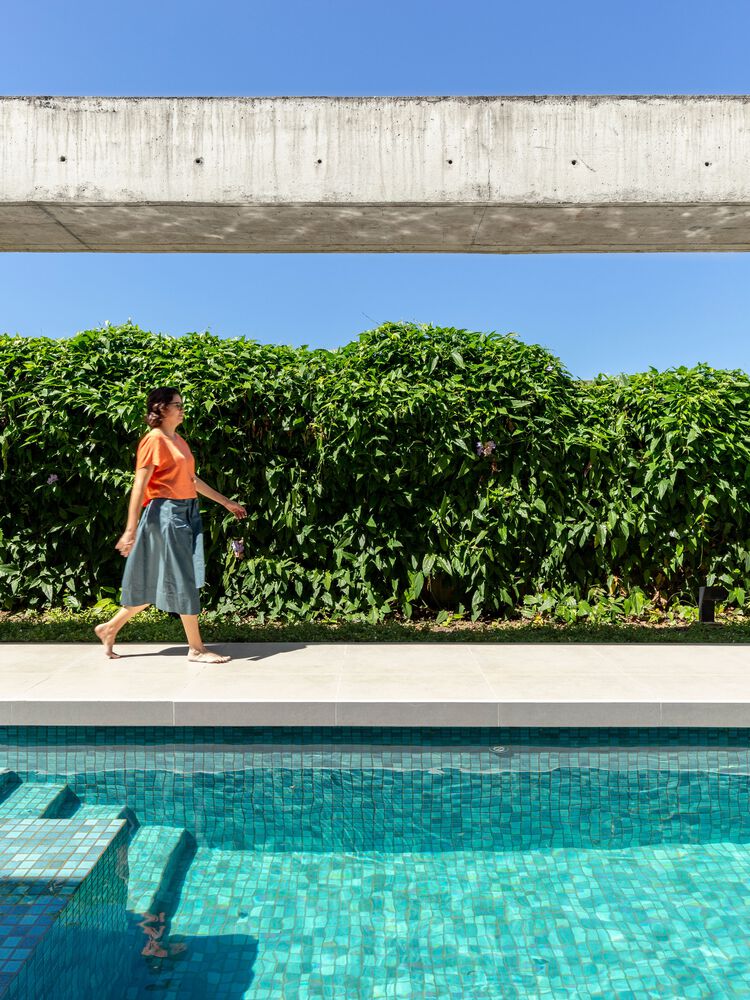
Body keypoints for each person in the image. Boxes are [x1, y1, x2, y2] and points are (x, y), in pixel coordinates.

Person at [94, 386, 247, 662]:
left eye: (181, 403)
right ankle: (197, 649)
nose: (182, 408)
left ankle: (109, 628)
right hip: (165, 513)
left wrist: (226, 502)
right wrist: (130, 529)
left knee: (154, 579)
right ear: (161, 409)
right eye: (177, 404)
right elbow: (139, 487)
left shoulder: (178, 440)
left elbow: (192, 480)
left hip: (185, 512)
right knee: (184, 578)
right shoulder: (153, 440)